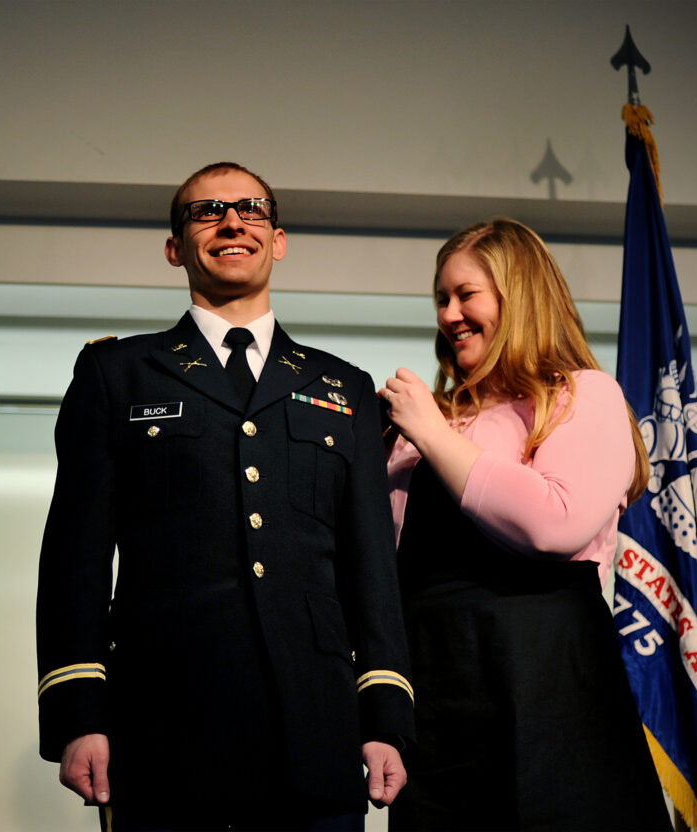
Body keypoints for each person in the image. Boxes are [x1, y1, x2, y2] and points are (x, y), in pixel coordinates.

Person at [36, 162, 416, 831]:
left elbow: (373, 569)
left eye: (251, 209)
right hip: (164, 728)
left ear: (278, 240)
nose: (232, 221)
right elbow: (75, 560)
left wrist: (386, 716)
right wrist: (78, 714)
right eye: (207, 211)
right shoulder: (116, 374)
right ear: (174, 248)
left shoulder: (344, 387)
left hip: (315, 731)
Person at [380, 218, 671, 830]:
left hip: (551, 689)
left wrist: (430, 431)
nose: (449, 315)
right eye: (441, 298)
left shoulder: (581, 395)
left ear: (519, 297)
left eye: (466, 295)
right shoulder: (421, 429)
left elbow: (553, 523)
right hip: (436, 695)